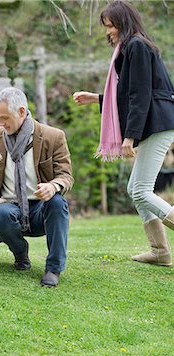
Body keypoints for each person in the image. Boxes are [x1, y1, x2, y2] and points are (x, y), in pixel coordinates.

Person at [73, 0, 174, 266]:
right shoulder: (131, 47)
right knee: (136, 188)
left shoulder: (137, 46)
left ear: (122, 23)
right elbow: (128, 94)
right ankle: (160, 252)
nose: (108, 32)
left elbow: (140, 96)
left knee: (140, 190)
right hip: (154, 122)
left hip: (158, 123)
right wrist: (96, 98)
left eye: (111, 25)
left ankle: (160, 251)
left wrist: (130, 136)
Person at [0, 87, 73, 287]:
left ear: (22, 112)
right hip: (9, 208)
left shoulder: (53, 136)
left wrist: (53, 185)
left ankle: (53, 268)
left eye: (5, 117)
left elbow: (66, 176)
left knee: (57, 203)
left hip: (41, 208)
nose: (1, 123)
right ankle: (20, 253)